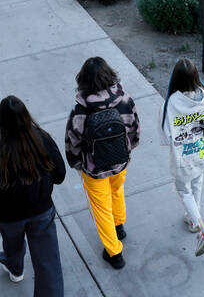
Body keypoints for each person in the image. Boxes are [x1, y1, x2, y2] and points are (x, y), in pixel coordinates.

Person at [0, 96, 66, 296]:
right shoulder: (42, 139)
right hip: (41, 210)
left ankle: (15, 267)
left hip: (8, 217)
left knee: (12, 243)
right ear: (26, 116)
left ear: (2, 122)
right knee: (48, 261)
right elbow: (59, 173)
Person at [65, 56, 140, 270]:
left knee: (101, 208)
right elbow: (134, 128)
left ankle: (114, 253)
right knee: (117, 191)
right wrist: (128, 150)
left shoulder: (80, 110)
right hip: (120, 161)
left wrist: (77, 163)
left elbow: (73, 140)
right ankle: (119, 226)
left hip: (94, 168)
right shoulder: (125, 99)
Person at [162, 58, 204, 256]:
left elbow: (166, 134)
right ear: (196, 76)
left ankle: (201, 228)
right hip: (202, 152)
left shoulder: (172, 102)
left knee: (183, 190)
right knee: (197, 183)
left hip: (183, 157)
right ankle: (192, 219)